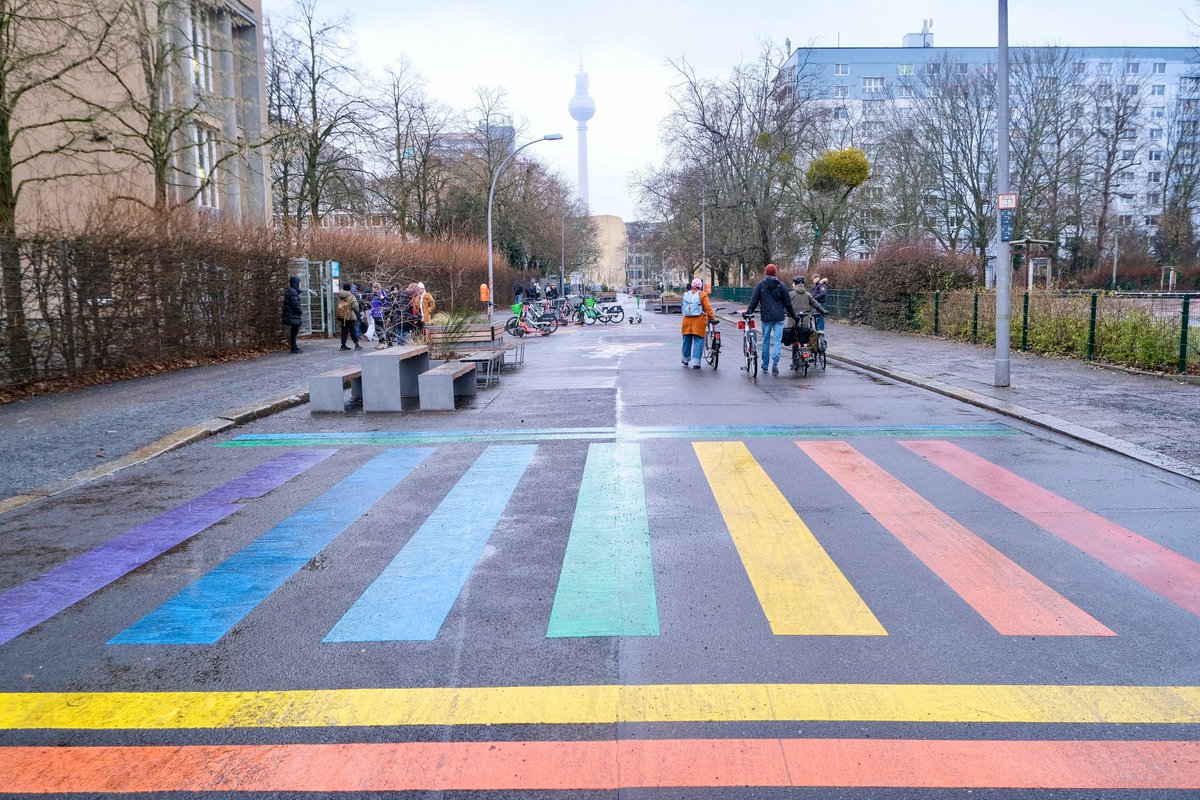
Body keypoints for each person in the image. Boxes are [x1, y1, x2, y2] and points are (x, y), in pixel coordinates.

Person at [745, 263, 799, 376]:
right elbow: (788, 304)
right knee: (777, 341)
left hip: (766, 317)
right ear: (775, 273)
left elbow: (754, 301)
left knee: (766, 340)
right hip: (779, 317)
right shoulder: (781, 285)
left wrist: (749, 312)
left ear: (766, 273)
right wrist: (794, 316)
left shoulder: (760, 285)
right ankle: (775, 364)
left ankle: (765, 365)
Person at [680, 278, 716, 368]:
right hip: (698, 321)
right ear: (700, 286)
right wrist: (712, 318)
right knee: (698, 341)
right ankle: (696, 363)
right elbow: (707, 308)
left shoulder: (686, 294)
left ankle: (685, 359)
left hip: (686, 321)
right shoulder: (702, 295)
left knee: (686, 340)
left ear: (692, 285)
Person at [788, 276, 827, 357]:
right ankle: (806, 350)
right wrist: (823, 312)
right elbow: (816, 304)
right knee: (805, 333)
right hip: (805, 321)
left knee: (794, 337)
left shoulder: (790, 294)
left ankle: (795, 355)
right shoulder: (808, 294)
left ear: (795, 284)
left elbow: (785, 305)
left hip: (793, 321)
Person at [335, 282, 361, 350]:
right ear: (349, 288)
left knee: (344, 331)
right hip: (350, 316)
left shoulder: (340, 296)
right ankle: (356, 344)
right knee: (353, 331)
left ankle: (343, 345)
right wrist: (357, 311)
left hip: (342, 316)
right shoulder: (351, 296)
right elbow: (356, 307)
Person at [281, 275, 303, 354]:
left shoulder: (290, 291)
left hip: (291, 315)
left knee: (294, 331)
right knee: (294, 332)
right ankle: (294, 347)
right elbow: (295, 305)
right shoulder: (293, 292)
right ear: (296, 283)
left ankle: (294, 347)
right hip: (293, 315)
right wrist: (300, 311)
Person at [369, 282, 387, 347]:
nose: (374, 289)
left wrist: (382, 298)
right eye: (373, 287)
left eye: (375, 287)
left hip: (379, 314)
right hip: (375, 313)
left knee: (379, 329)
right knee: (377, 329)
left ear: (378, 288)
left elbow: (384, 303)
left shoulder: (380, 294)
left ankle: (383, 343)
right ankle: (380, 342)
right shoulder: (374, 295)